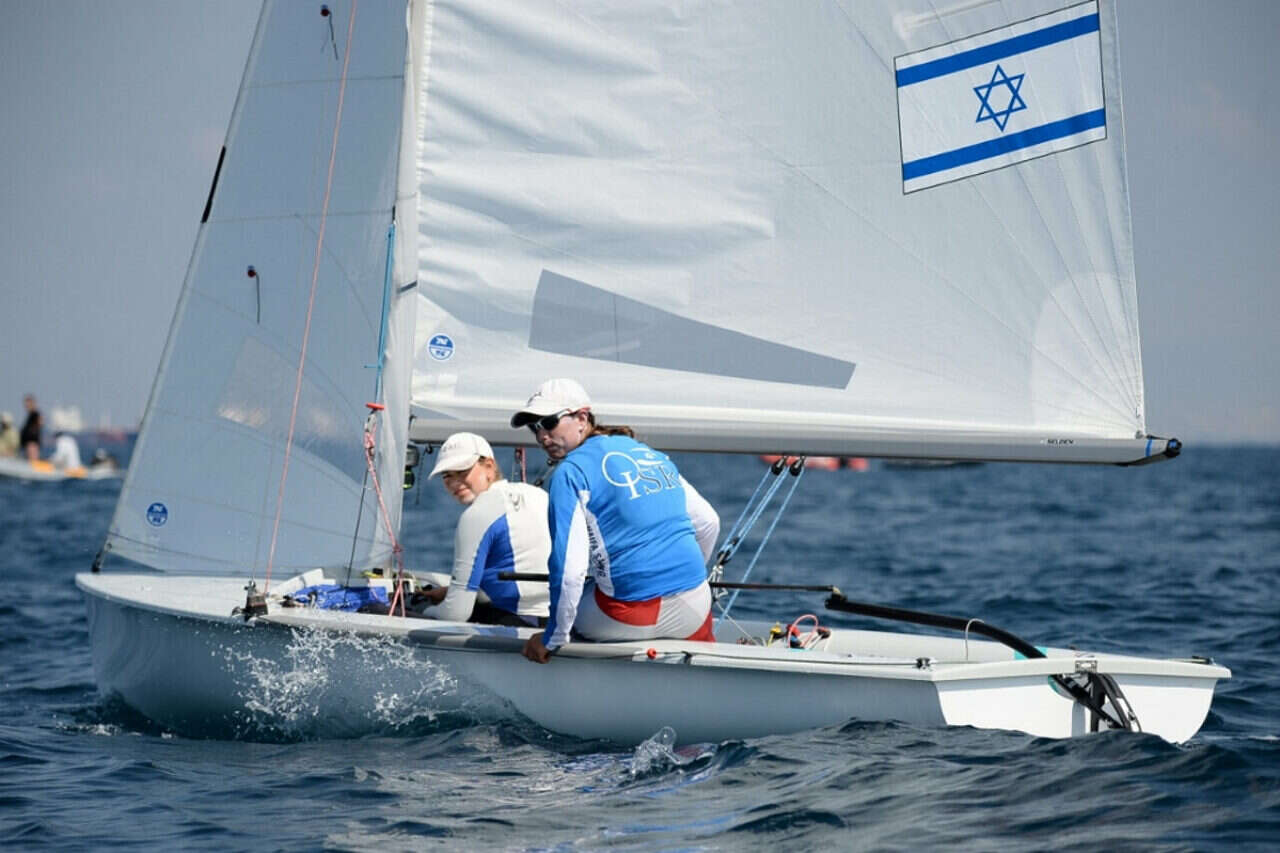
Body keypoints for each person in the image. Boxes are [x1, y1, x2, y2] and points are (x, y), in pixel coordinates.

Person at [511, 379, 720, 663]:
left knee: (566, 613)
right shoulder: (647, 453)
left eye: (549, 423)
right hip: (694, 606)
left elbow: (569, 572)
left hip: (628, 616)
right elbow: (709, 522)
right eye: (534, 427)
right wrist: (679, 581)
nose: (541, 436)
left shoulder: (570, 472)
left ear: (582, 418)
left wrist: (552, 638)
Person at [415, 431, 551, 627]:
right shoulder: (538, 495)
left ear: (489, 466)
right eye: (447, 476)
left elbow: (456, 614)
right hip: (558, 622)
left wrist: (423, 610)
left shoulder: (476, 514)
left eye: (463, 471)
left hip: (516, 625)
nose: (455, 483)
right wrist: (449, 592)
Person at [19, 395, 42, 462]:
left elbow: (40, 423)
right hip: (28, 444)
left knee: (33, 461)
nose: (26, 406)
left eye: (27, 404)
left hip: (32, 443)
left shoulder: (35, 414)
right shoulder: (30, 415)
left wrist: (32, 431)